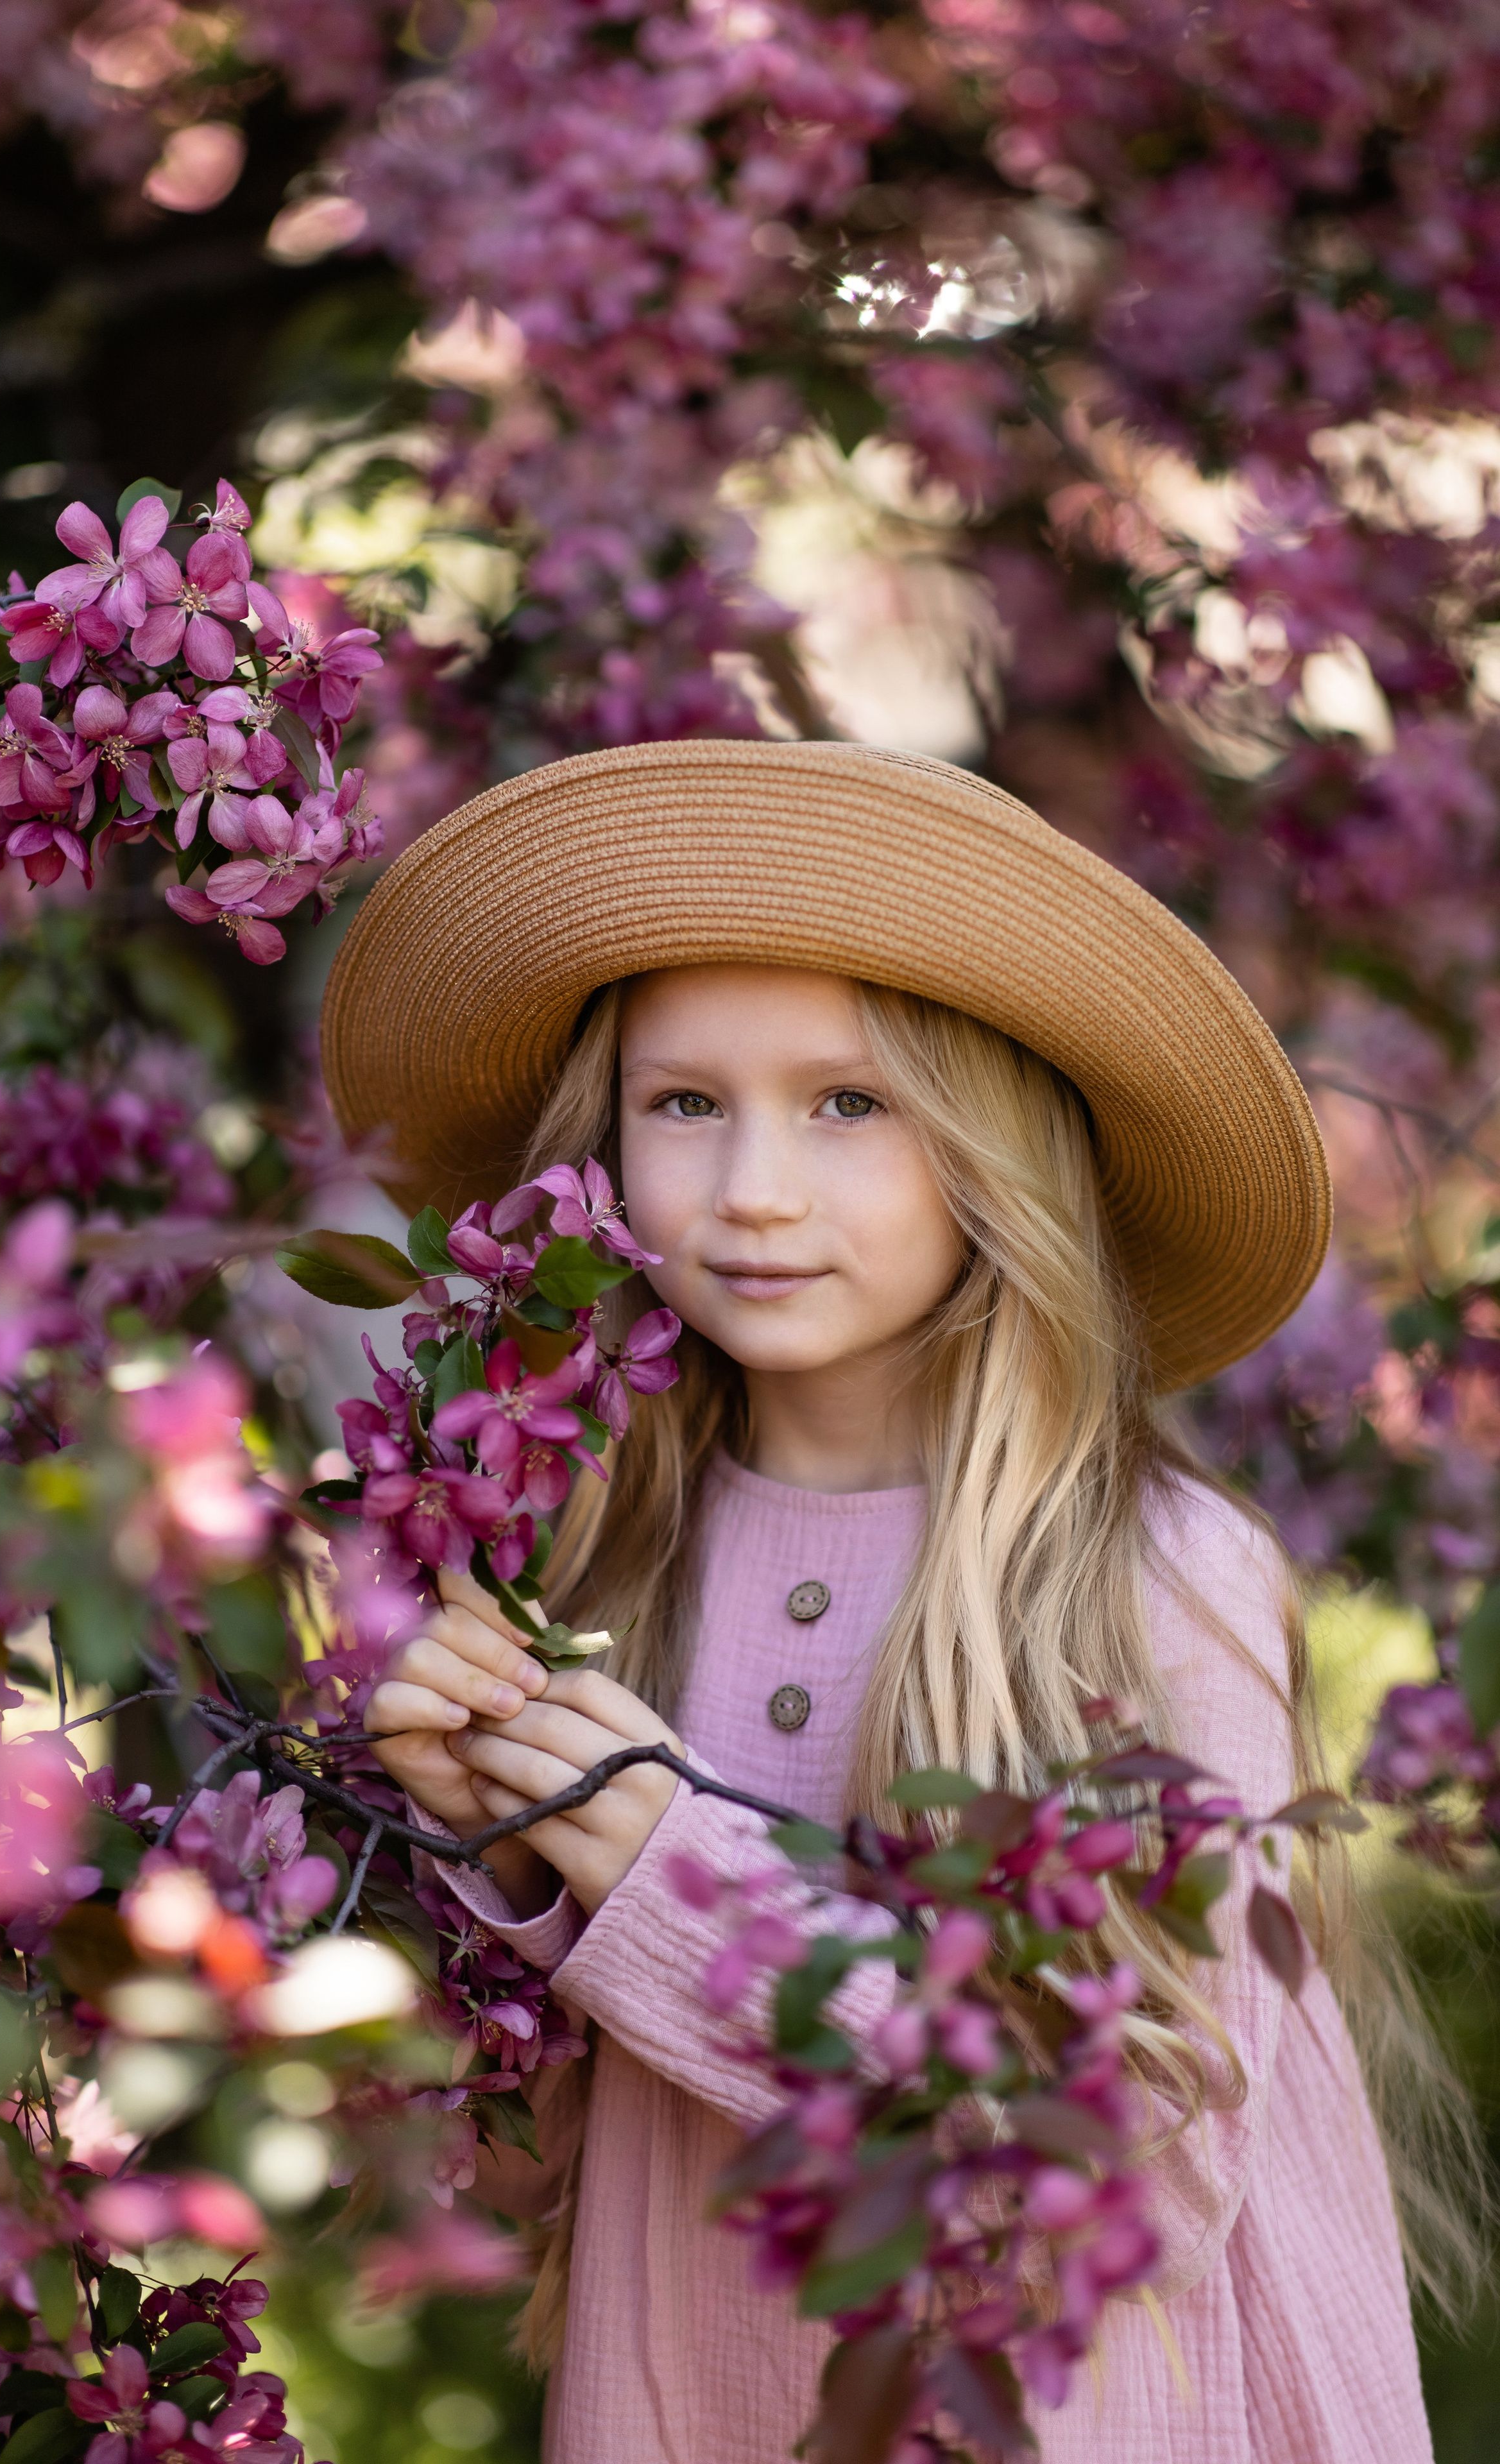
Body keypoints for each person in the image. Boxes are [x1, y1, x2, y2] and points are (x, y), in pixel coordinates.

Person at [321, 740, 1448, 2464]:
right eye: (685, 1101)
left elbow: (1125, 2174)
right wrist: (515, 1856)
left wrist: (676, 1874)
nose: (755, 1187)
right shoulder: (601, 1556)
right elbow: (529, 2175)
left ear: (997, 1149)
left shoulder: (1150, 1577)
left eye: (852, 1103)